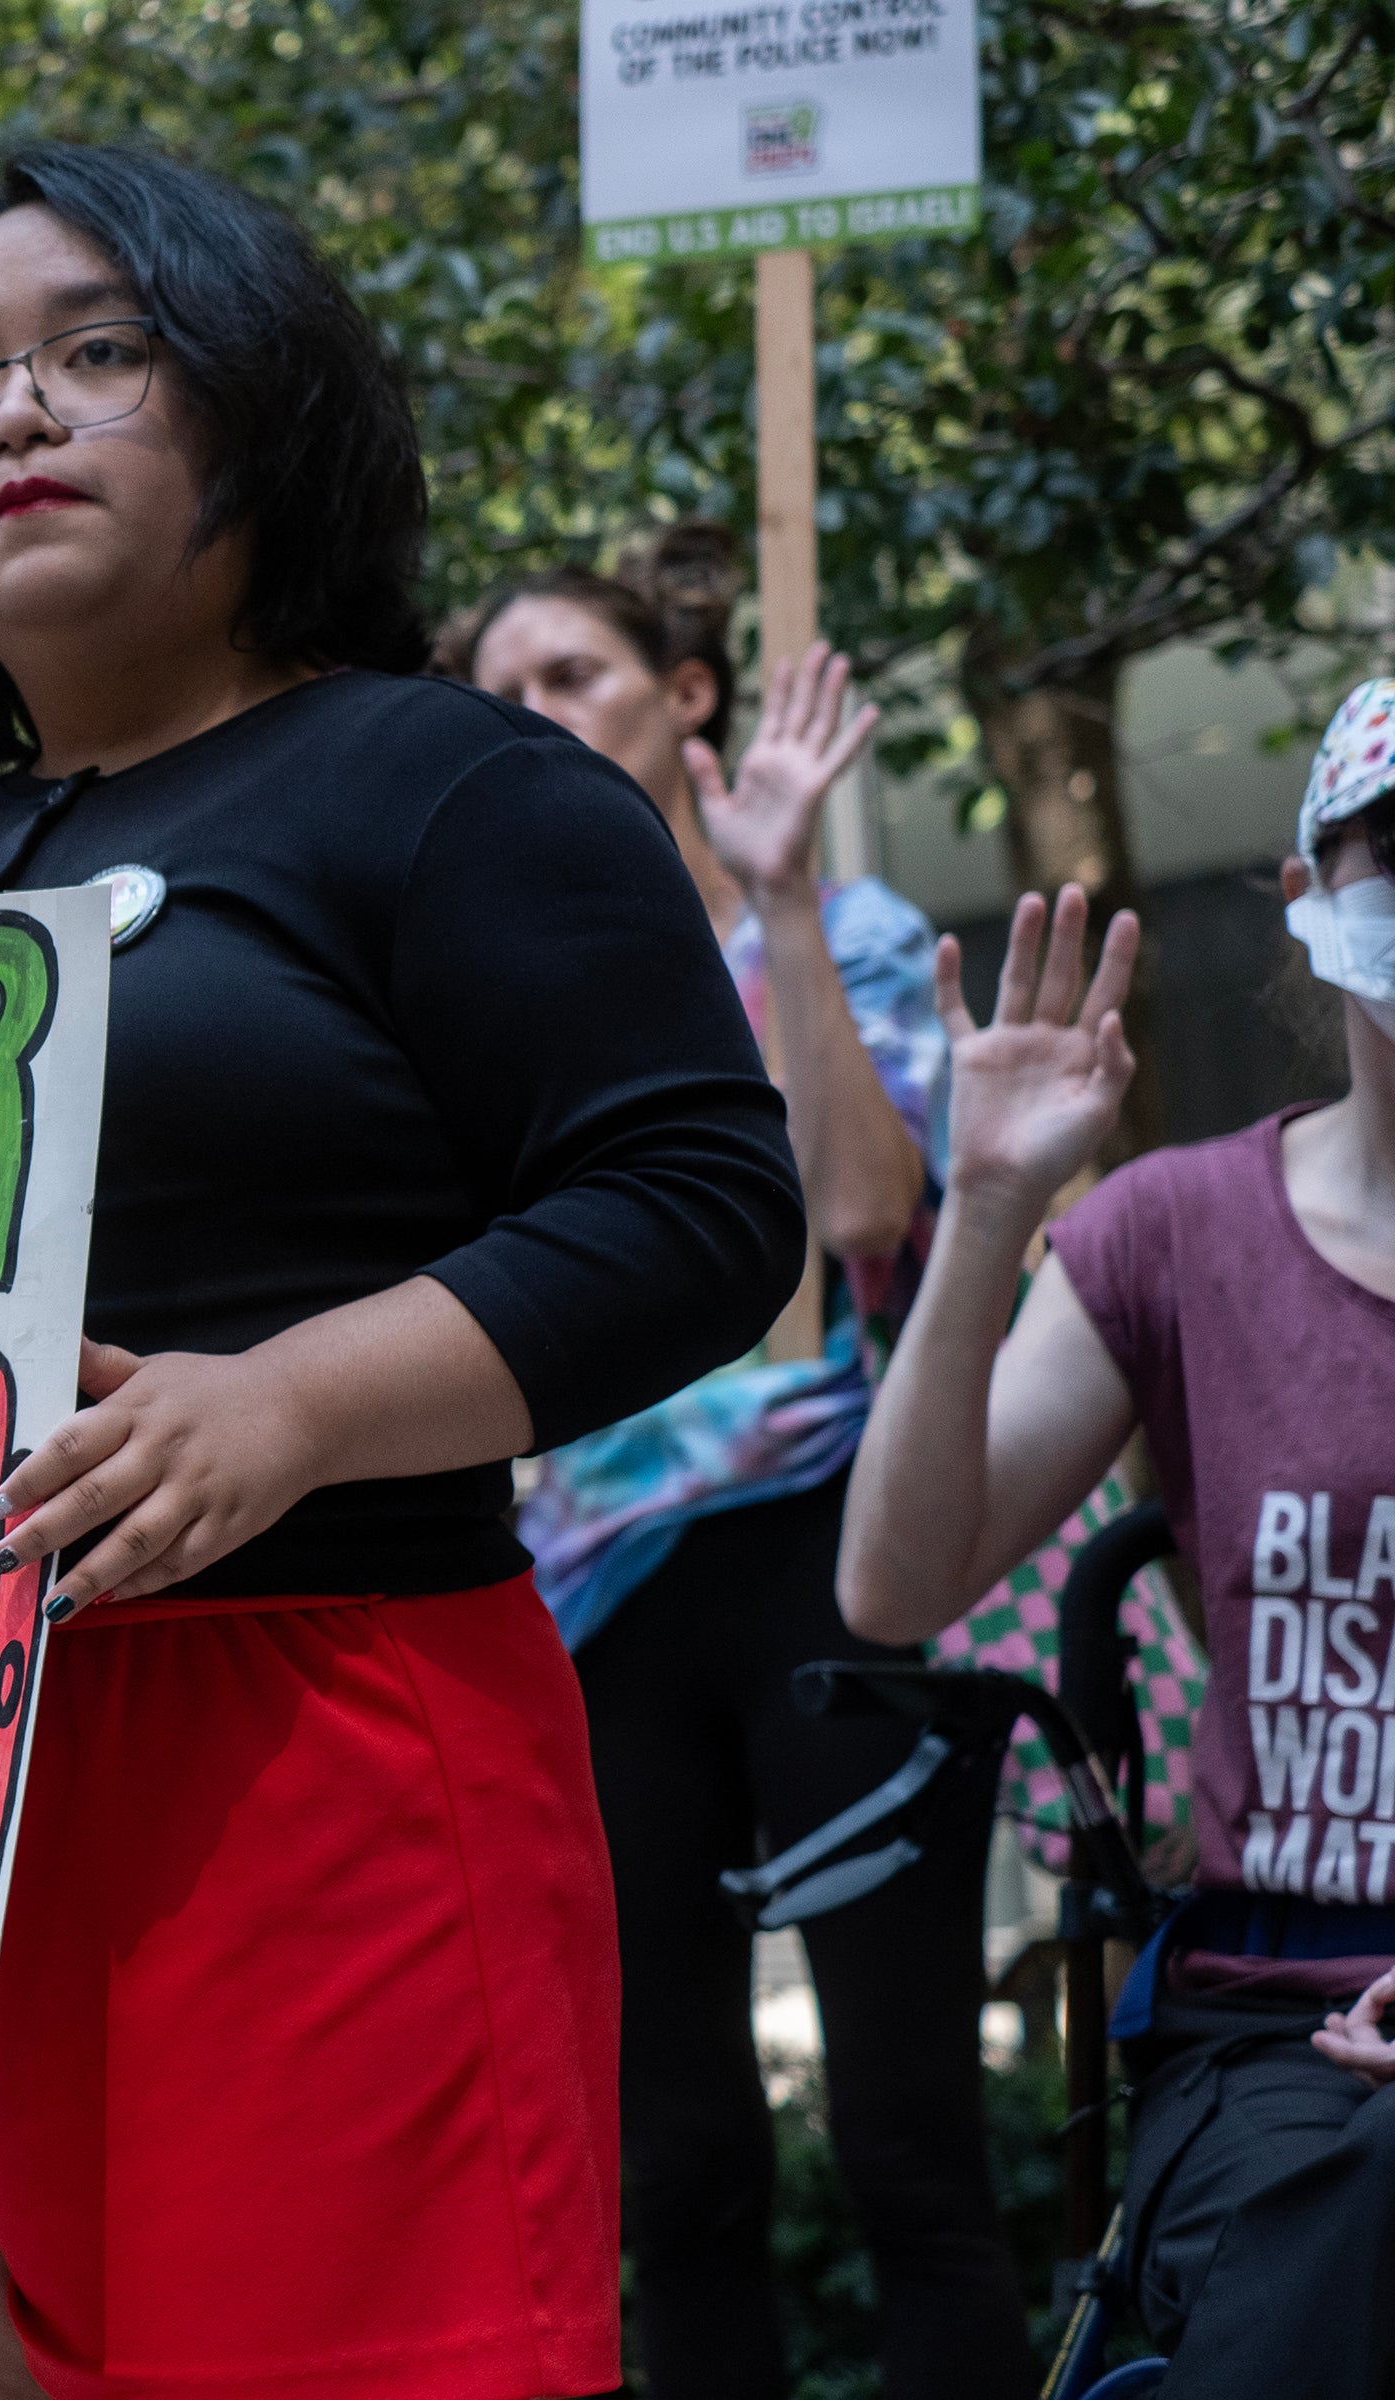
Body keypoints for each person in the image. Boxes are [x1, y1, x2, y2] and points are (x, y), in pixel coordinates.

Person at [0, 146, 806, 2398]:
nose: (12, 414)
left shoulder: (448, 784)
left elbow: (698, 1207)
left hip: (319, 1763)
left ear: (257, 401)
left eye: (97, 352)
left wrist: (286, 1405)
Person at [448, 536, 1029, 2398]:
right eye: (496, 701)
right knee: (676, 2166)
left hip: (830, 1566)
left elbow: (861, 1216)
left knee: (911, 2137)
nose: (529, 722)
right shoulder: (478, 1003)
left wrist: (776, 899)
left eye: (570, 679)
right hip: (591, 1606)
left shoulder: (836, 939)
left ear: (686, 696)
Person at [841, 679, 1395, 2400]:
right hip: (1280, 2025)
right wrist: (991, 1208)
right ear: (1312, 901)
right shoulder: (1179, 1231)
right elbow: (900, 1580)